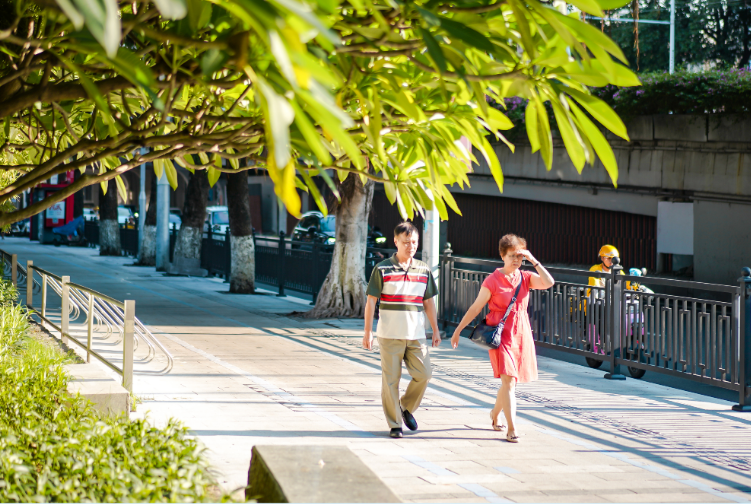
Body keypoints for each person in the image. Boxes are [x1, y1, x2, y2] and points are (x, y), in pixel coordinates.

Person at [450, 234, 554, 443]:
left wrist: (533, 260)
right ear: (502, 256)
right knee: (508, 381)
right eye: (512, 255)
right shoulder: (492, 280)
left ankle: (495, 413)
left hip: (521, 333)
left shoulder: (525, 277)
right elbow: (476, 307)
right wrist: (458, 330)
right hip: (500, 334)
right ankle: (512, 428)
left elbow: (549, 282)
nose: (516, 260)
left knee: (510, 383)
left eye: (519, 256)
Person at [363, 221, 441, 439]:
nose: (411, 246)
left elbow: (428, 302)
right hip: (389, 334)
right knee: (391, 381)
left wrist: (435, 329)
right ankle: (395, 424)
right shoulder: (382, 269)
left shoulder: (423, 269)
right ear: (396, 242)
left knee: (424, 374)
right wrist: (368, 331)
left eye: (414, 242)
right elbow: (371, 301)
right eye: (406, 242)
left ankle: (405, 407)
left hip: (416, 335)